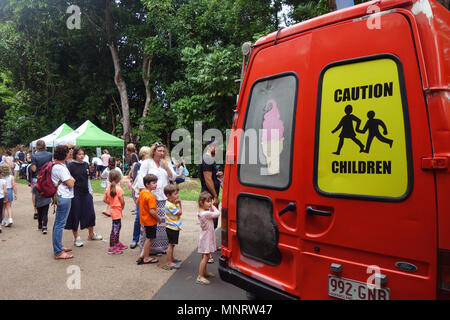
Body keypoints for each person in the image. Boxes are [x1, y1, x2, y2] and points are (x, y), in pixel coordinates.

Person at [136, 142, 175, 256]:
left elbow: (173, 177)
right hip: (150, 198)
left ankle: (161, 248)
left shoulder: (166, 162)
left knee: (162, 224)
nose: (162, 153)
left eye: (163, 151)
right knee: (150, 224)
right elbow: (141, 181)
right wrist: (144, 196)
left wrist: (166, 167)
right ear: (154, 151)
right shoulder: (147, 163)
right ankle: (147, 250)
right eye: (159, 151)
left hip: (163, 198)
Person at [65, 147, 103, 247]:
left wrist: (90, 192)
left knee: (90, 214)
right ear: (75, 155)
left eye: (83, 154)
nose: (81, 156)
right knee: (75, 215)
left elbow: (87, 179)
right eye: (79, 154)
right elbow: (67, 180)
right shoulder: (70, 165)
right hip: (75, 194)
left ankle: (91, 234)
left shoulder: (86, 164)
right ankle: (76, 238)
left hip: (86, 193)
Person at [198, 139, 223, 263]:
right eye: (215, 147)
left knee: (213, 224)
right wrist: (215, 197)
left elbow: (211, 176)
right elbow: (208, 180)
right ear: (209, 146)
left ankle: (211, 247)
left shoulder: (210, 159)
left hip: (211, 195)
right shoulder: (207, 159)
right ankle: (207, 254)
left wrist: (217, 175)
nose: (217, 149)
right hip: (208, 195)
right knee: (208, 226)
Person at [51, 145, 75, 260]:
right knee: (60, 224)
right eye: (68, 152)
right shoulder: (60, 167)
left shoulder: (57, 165)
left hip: (60, 195)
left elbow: (69, 180)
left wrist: (70, 179)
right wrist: (71, 180)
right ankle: (58, 251)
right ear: (64, 154)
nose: (70, 153)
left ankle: (58, 246)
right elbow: (71, 183)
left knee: (58, 223)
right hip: (63, 196)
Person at [136, 174, 161, 265]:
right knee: (149, 239)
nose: (156, 185)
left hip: (143, 220)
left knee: (148, 238)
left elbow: (138, 202)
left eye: (156, 183)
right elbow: (152, 211)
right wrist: (158, 218)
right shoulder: (151, 196)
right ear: (147, 184)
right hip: (150, 221)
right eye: (153, 183)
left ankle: (142, 255)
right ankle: (146, 258)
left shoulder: (142, 192)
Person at [196, 191, 220, 285]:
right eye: (208, 201)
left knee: (205, 255)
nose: (210, 203)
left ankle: (204, 272)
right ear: (202, 203)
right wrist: (213, 206)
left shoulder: (202, 212)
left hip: (205, 236)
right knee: (206, 256)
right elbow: (217, 213)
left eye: (211, 201)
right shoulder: (206, 214)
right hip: (207, 237)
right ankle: (200, 276)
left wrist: (210, 207)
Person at [129, 146, 151, 249]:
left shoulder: (152, 165)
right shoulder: (138, 165)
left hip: (151, 195)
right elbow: (135, 180)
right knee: (139, 217)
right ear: (143, 154)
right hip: (141, 195)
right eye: (148, 153)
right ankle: (135, 238)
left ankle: (149, 240)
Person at [104, 169, 128, 254]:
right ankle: (112, 247)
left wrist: (111, 204)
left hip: (114, 210)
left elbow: (104, 200)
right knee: (115, 229)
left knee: (117, 227)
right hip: (117, 210)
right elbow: (122, 201)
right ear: (118, 179)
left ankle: (116, 243)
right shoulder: (119, 189)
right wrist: (122, 207)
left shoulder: (108, 188)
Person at [30, 140, 52, 220]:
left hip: (37, 178)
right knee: (46, 194)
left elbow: (34, 169)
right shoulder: (50, 154)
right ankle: (44, 212)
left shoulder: (34, 156)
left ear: (37, 146)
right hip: (46, 178)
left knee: (35, 194)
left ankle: (36, 211)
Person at [163, 184, 182, 270]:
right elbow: (179, 212)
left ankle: (172, 258)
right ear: (168, 195)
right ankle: (169, 262)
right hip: (172, 228)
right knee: (170, 245)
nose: (177, 196)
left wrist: (175, 203)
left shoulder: (170, 203)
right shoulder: (170, 205)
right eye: (175, 194)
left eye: (177, 193)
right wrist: (179, 204)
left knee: (172, 244)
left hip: (172, 227)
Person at [0, 168, 8, 233]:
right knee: (0, 212)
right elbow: (5, 191)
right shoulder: (3, 181)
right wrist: (6, 198)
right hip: (1, 197)